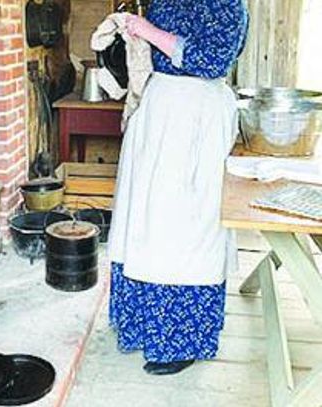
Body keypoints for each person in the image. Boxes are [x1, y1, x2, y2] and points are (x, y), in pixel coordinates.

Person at [107, 0, 249, 375]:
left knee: (184, 226)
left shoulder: (228, 5)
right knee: (144, 223)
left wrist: (147, 30)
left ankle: (181, 340)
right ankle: (140, 324)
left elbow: (212, 60)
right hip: (159, 108)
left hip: (195, 116)